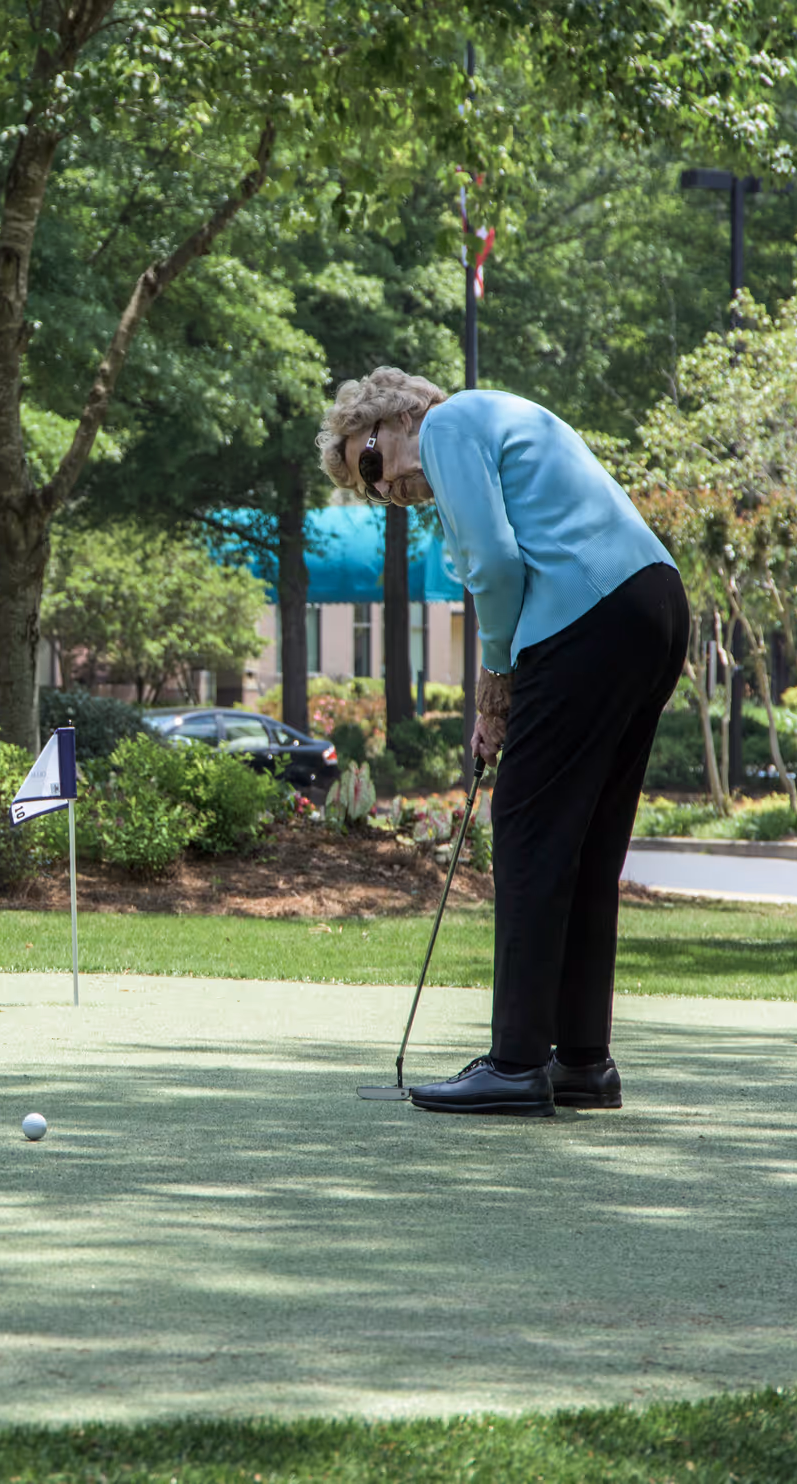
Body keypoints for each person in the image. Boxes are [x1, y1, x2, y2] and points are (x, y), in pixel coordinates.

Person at [317, 367, 689, 1117]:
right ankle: (583, 1060)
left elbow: (495, 563)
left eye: (369, 463)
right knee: (583, 844)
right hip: (653, 607)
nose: (384, 489)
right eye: (369, 489)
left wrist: (495, 680)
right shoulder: (499, 418)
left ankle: (518, 1063)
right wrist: (506, 686)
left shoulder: (448, 425)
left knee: (525, 828)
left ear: (399, 418)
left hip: (590, 614)